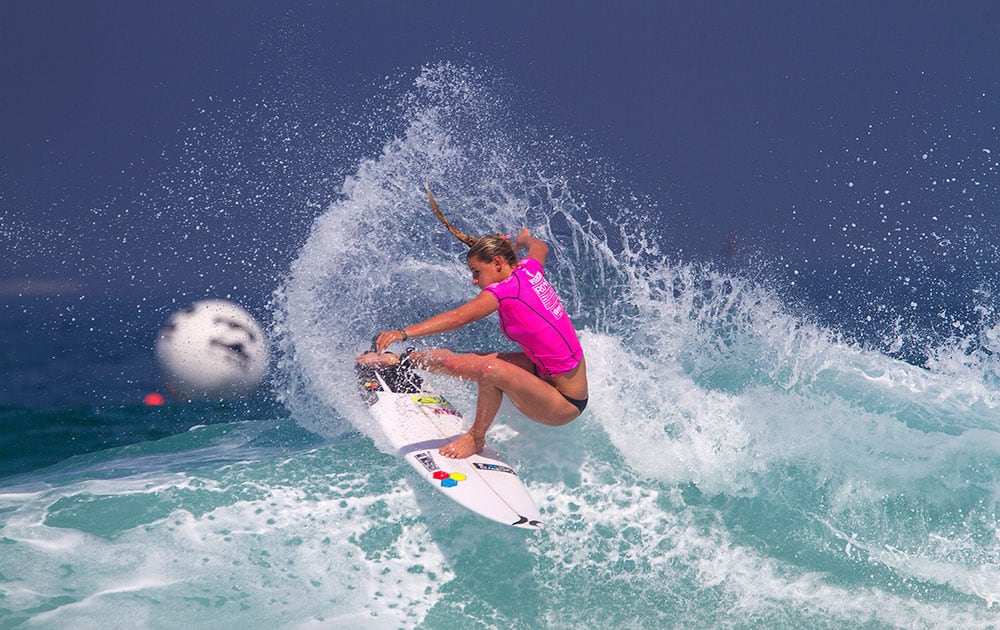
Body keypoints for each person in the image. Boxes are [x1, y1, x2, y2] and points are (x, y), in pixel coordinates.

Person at [357, 187, 588, 459]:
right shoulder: (529, 269)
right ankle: (401, 362)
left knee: (491, 370)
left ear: (499, 263)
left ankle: (475, 439)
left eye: (477, 272)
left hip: (564, 402)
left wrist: (402, 332)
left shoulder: (505, 290)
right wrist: (526, 240)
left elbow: (459, 317)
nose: (474, 281)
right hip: (541, 371)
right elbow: (541, 247)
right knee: (454, 362)